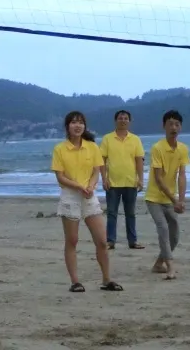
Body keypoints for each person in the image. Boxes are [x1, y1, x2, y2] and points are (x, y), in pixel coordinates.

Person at [51, 111, 123, 293]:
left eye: (81, 122)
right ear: (67, 126)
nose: (78, 126)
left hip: (89, 196)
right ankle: (75, 282)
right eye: (74, 122)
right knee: (72, 240)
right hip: (70, 196)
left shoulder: (92, 146)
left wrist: (90, 186)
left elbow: (96, 171)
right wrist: (78, 186)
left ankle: (106, 279)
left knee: (102, 241)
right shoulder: (60, 149)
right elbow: (60, 177)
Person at [144, 109, 190, 280]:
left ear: (181, 127)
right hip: (154, 198)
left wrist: (181, 201)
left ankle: (158, 264)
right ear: (164, 126)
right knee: (163, 228)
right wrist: (174, 200)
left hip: (170, 199)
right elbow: (158, 178)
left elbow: (182, 175)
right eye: (170, 124)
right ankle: (170, 266)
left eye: (177, 124)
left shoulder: (183, 149)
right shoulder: (158, 148)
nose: (174, 128)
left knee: (175, 234)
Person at [99, 109, 145, 250]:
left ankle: (133, 241)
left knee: (130, 214)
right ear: (116, 121)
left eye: (125, 118)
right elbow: (101, 160)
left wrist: (141, 179)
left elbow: (139, 160)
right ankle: (110, 241)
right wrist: (104, 179)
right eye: (120, 118)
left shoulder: (135, 139)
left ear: (129, 121)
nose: (123, 120)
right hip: (112, 183)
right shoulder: (107, 138)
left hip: (131, 182)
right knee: (111, 213)